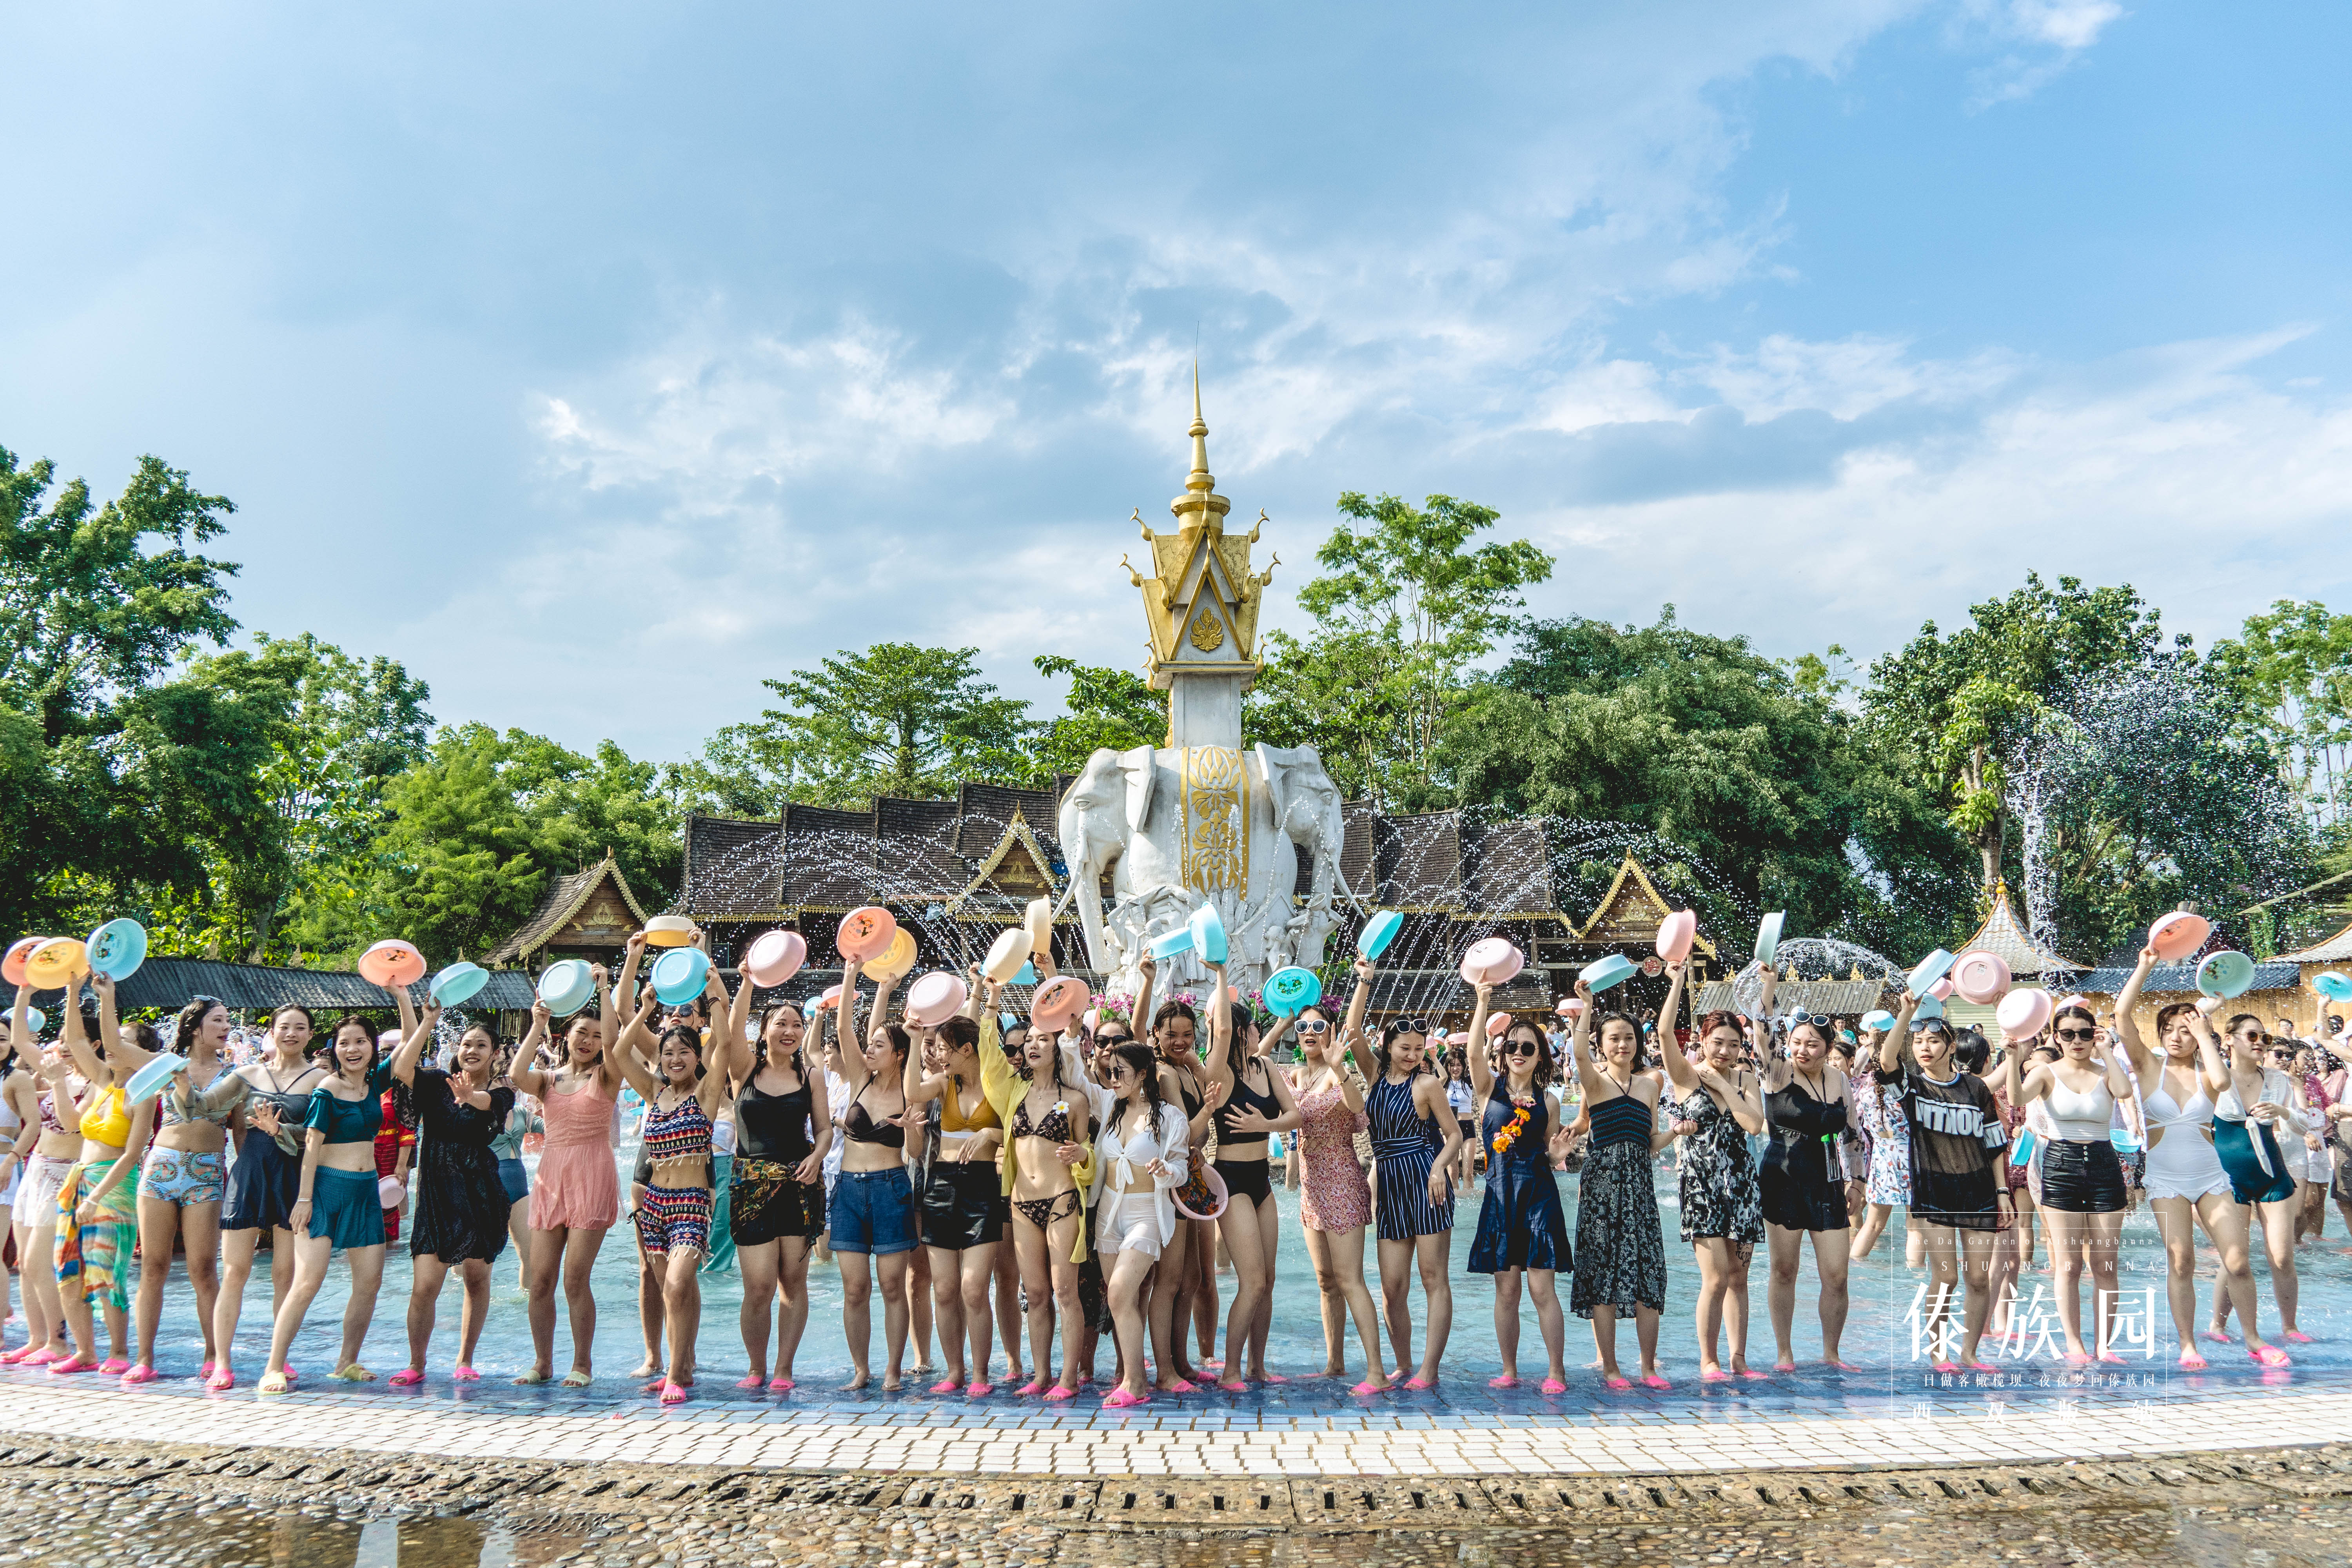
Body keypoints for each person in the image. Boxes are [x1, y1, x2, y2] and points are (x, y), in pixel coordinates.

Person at [2111, 946, 2277, 1369]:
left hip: (2210, 1175)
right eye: (2169, 1028)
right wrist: (2145, 964)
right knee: (2181, 1258)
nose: (2175, 1035)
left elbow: (2223, 1083)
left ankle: (2254, 1339)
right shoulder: (2148, 1066)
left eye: (2184, 1029)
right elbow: (2121, 1015)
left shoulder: (2208, 1069)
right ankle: (2188, 1344)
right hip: (2166, 1179)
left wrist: (2205, 1033)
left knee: (2238, 1259)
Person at [80, 982, 249, 1386]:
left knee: (204, 1268)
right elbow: (116, 1049)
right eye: (218, 1020)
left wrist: (247, 1182)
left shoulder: (237, 1075)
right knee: (153, 1266)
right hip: (162, 1168)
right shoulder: (165, 1063)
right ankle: (143, 1357)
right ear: (195, 1027)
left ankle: (214, 1354)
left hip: (208, 1171)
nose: (227, 1027)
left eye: (227, 1020)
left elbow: (240, 1134)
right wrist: (107, 997)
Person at [258, 990, 419, 1393]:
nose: (353, 1048)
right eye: (344, 1042)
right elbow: (311, 1146)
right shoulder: (327, 1088)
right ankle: (274, 1366)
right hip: (327, 1189)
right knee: (307, 1281)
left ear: (371, 1047)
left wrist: (404, 998)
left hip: (366, 1191)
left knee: (369, 1283)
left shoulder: (377, 1081)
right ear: (334, 1047)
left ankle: (346, 1361)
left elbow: (410, 1046)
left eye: (361, 1041)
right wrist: (305, 1199)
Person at [606, 954, 742, 1404]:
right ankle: (679, 1365)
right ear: (661, 1060)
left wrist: (716, 991)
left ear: (694, 1056)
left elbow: (723, 1046)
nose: (676, 1057)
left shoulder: (706, 1094)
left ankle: (676, 1376)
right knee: (670, 1291)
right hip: (654, 1206)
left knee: (679, 1283)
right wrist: (645, 1010)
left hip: (690, 1201)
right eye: (668, 1052)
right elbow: (620, 1052)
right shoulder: (654, 1091)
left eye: (684, 1051)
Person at [508, 953, 631, 1386]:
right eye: (583, 1031)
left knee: (575, 1278)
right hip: (552, 1175)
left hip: (592, 1173)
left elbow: (619, 1045)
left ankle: (583, 1364)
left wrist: (604, 990)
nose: (589, 1040)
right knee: (540, 1280)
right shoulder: (548, 1079)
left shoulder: (608, 1076)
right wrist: (537, 1023)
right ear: (569, 1034)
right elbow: (514, 1072)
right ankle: (543, 1362)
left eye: (597, 1036)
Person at [1341, 957, 1462, 1390]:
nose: (1413, 1055)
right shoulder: (1374, 1076)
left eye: (1419, 1049)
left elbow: (1454, 1136)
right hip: (1390, 1182)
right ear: (1389, 1045)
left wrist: (1438, 1169)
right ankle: (1404, 1364)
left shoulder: (1427, 1085)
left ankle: (1429, 1370)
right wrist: (1364, 981)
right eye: (1405, 1048)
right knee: (1392, 1287)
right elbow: (1352, 1032)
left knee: (1434, 1279)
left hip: (1426, 1181)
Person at [975, 969, 1094, 1400]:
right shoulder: (1013, 1094)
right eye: (1028, 1042)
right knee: (1037, 1292)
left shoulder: (1075, 1099)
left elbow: (1088, 1157)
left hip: (1062, 1200)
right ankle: (1041, 1374)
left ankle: (1067, 1377)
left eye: (1043, 1039)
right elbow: (989, 1058)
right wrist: (993, 997)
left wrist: (1083, 1157)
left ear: (1056, 1046)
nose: (1033, 1045)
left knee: (1066, 1291)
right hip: (1022, 1204)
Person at [1876, 991, 2011, 1371]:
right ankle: (1939, 1352)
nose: (1925, 1047)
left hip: (1980, 1189)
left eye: (1934, 1040)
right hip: (1934, 1190)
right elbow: (1886, 1061)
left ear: (1951, 1046)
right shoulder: (1912, 1088)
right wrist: (1905, 1014)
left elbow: (1994, 1143)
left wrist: (2002, 1191)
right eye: (1919, 1042)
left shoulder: (1976, 1089)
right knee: (1947, 1276)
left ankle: (1970, 1353)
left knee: (1979, 1277)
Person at [1460, 984, 1580, 1390]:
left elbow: (1548, 1154)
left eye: (1529, 1048)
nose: (1519, 1052)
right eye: (1513, 1045)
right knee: (1507, 1290)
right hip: (1499, 1194)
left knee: (1541, 1287)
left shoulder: (1549, 1101)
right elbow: (1474, 1052)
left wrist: (1557, 1151)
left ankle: (1556, 1370)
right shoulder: (1487, 1089)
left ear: (1540, 1057)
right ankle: (1509, 1370)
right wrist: (1482, 1001)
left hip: (1538, 1195)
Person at [1998, 1000, 2133, 1362]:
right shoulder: (2046, 1073)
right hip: (2060, 1166)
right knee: (2069, 1265)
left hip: (2105, 1165)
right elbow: (2016, 1099)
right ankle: (2075, 1344)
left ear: (2095, 1036)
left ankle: (2105, 1346)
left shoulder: (2106, 1072)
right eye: (2069, 1035)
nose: (2078, 1041)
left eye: (2085, 1034)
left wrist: (2108, 1052)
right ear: (2057, 1038)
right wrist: (2013, 1058)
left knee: (2106, 1264)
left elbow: (2124, 1092)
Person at [1557, 977, 1670, 1389]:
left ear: (1638, 1042)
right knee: (1602, 1272)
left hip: (1640, 1188)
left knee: (1647, 1273)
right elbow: (1578, 1052)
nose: (1623, 1045)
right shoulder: (1596, 1081)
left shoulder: (1650, 1084)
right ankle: (1610, 1366)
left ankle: (1648, 1367)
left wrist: (1678, 1133)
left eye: (1629, 1038)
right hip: (1602, 1185)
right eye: (1614, 1039)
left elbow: (1652, 1141)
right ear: (1603, 1044)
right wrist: (1586, 1007)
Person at [1656, 964, 1766, 1381]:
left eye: (1733, 1045)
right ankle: (1710, 1360)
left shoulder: (1744, 1078)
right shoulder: (1686, 1076)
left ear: (1742, 1047)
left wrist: (1722, 1086)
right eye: (1717, 1043)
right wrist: (1678, 982)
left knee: (1740, 1277)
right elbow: (1667, 1035)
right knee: (1717, 1277)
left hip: (1742, 1188)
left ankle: (1739, 1359)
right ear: (1702, 1041)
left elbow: (1754, 1124)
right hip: (1702, 1188)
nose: (1724, 1051)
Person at [212, 1003, 325, 1390]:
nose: (291, 1033)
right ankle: (222, 1363)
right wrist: (176, 1083)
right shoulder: (246, 1074)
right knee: (235, 1271)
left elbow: (322, 1135)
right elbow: (204, 1104)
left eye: (300, 1028)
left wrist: (282, 1129)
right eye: (284, 1027)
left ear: (311, 1034)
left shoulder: (319, 1079)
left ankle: (280, 1357)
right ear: (272, 1033)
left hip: (293, 1178)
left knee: (285, 1275)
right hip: (249, 1174)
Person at [44, 993, 155, 1376]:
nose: (111, 1046)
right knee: (67, 1269)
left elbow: (131, 1155)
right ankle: (86, 1350)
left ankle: (120, 1351)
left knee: (106, 1270)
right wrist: (76, 992)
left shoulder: (144, 1094)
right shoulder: (103, 1081)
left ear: (140, 1053)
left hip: (114, 1186)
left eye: (122, 1041)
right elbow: (76, 1042)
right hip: (79, 1183)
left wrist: (96, 1195)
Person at [1201, 962, 1300, 1390]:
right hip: (1232, 1179)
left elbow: (1295, 1114)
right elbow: (1220, 1032)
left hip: (1262, 1180)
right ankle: (1230, 1370)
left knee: (1269, 1279)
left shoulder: (1267, 1068)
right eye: (1254, 1027)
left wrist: (1266, 1125)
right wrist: (1222, 976)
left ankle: (1258, 1366)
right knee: (1253, 1279)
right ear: (1242, 1030)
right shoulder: (1220, 1071)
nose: (1260, 1033)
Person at [727, 995, 829, 1392]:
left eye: (797, 1025)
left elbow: (823, 1129)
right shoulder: (745, 1069)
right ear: (764, 1030)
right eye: (781, 1024)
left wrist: (818, 1157)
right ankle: (756, 1366)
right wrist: (746, 982)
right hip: (751, 1187)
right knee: (758, 1286)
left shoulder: (811, 1076)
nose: (789, 1031)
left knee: (793, 1281)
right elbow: (734, 1030)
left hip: (798, 1186)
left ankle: (784, 1368)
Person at [1754, 972, 1855, 1372]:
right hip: (1783, 1175)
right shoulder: (1778, 1073)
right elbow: (1762, 1032)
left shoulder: (1840, 1080)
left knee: (1836, 1274)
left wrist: (1859, 1180)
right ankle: (1785, 1353)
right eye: (1796, 1042)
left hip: (1828, 1177)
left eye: (1812, 1043)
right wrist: (1769, 989)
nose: (1803, 1049)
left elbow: (1854, 1134)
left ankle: (1831, 1353)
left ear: (1828, 1047)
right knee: (1784, 1269)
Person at [901, 1008, 1005, 1395]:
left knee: (974, 1287)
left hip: (981, 1186)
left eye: (945, 1049)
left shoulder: (997, 1082)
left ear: (966, 1049)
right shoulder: (943, 1081)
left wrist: (991, 1134)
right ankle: (954, 1371)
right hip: (941, 1185)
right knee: (944, 1288)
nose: (939, 1055)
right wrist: (913, 1041)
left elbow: (1016, 1128)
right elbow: (913, 1092)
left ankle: (980, 1374)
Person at [829, 954, 918, 1392]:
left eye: (880, 1045)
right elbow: (847, 1029)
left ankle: (893, 1369)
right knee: (854, 1288)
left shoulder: (910, 1090)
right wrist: (854, 979)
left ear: (899, 1054)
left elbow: (917, 1149)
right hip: (847, 1189)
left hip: (891, 1188)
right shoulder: (860, 1077)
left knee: (892, 1286)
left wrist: (910, 1129)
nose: (869, 1049)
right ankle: (861, 1368)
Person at [1290, 991, 1387, 1392]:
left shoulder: (1337, 1071)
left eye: (1318, 1026)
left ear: (1331, 1032)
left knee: (1350, 1279)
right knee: (1326, 1279)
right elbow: (1255, 1064)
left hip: (1342, 1182)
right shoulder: (1294, 1075)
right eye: (1302, 1027)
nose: (1310, 1033)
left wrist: (1341, 1068)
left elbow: (1359, 1112)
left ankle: (1377, 1372)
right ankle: (1335, 1363)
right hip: (1312, 1186)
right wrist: (1280, 1019)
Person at [1087, 1041, 1191, 1408]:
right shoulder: (1109, 1106)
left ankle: (1135, 1381)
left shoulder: (1171, 1118)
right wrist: (1068, 1036)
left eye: (1120, 1073)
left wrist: (1166, 1171)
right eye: (1110, 1072)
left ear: (1144, 1073)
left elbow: (1182, 1169)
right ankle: (1134, 1377)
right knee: (1120, 1299)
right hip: (1108, 1215)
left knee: (1119, 1292)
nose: (1112, 1079)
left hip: (1147, 1213)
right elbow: (1074, 1075)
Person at [2203, 1009, 2310, 1348]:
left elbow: (2304, 1125)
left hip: (2272, 1173)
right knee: (2235, 1257)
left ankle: (2289, 1327)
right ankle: (2218, 1325)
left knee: (2282, 1255)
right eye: (2253, 1036)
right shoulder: (2215, 1079)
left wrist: (2283, 1113)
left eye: (2265, 1038)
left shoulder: (2277, 1080)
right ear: (2230, 1039)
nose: (2261, 1044)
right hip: (2229, 1178)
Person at [489, 1057, 542, 1292]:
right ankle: (462, 1297)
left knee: (531, 1254)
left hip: (519, 1187)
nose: (513, 1086)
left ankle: (526, 1305)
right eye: (507, 1081)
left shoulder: (520, 1111)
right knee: (479, 1256)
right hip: (488, 1184)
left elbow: (549, 1127)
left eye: (515, 1083)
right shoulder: (483, 1108)